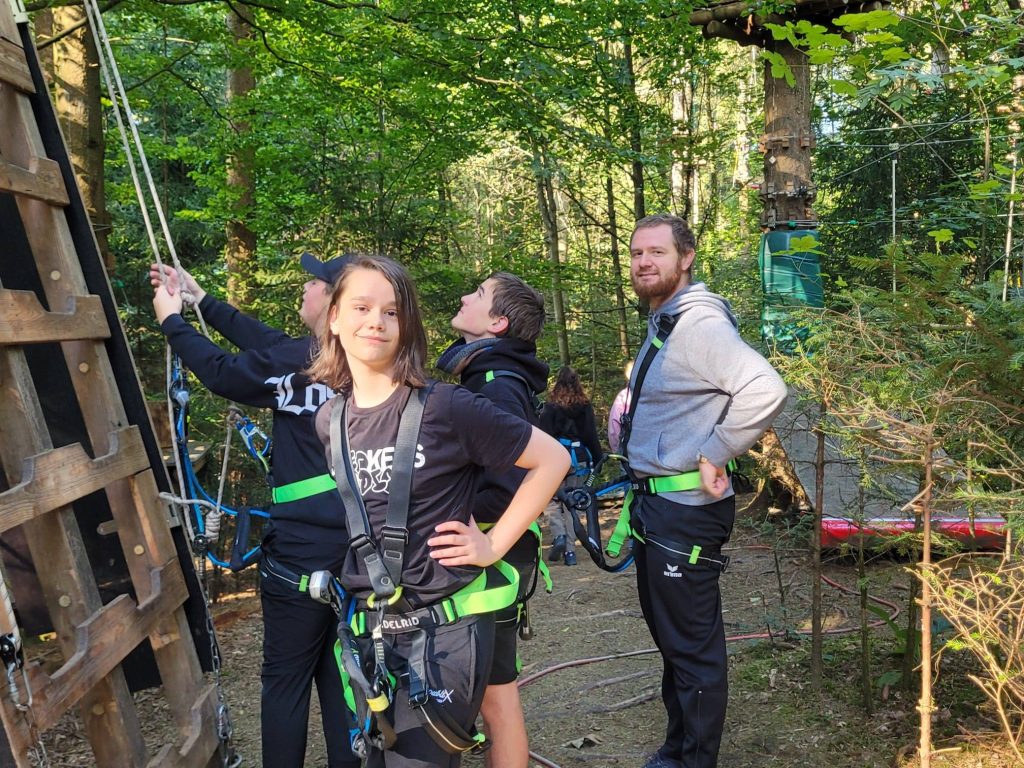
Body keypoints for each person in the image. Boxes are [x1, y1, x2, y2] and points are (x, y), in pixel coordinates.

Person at [306, 255, 569, 768]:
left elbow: (551, 460)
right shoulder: (329, 421)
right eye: (360, 307)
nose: (376, 322)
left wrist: (493, 544)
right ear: (333, 317)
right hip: (373, 630)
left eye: (392, 311)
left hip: (444, 633)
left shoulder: (447, 407)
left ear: (408, 326)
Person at [150, 253, 359, 768]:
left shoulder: (301, 360)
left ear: (332, 303)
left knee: (286, 678)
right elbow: (268, 344)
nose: (305, 289)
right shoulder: (358, 357)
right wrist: (205, 302)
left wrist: (172, 321)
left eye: (314, 283)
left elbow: (224, 372)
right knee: (342, 667)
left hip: (302, 550)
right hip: (357, 545)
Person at [622, 214, 787, 768]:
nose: (644, 262)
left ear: (686, 257)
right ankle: (678, 749)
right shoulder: (666, 322)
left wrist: (716, 450)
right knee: (674, 644)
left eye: (657, 252)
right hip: (658, 505)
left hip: (684, 511)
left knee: (691, 649)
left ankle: (693, 761)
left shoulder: (697, 325)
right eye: (637, 252)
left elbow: (766, 387)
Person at [436, 271, 548, 768]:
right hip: (496, 556)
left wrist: (481, 539)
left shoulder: (496, 385)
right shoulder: (489, 376)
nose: (465, 297)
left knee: (494, 699)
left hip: (489, 561)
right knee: (494, 695)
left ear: (498, 323)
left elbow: (506, 486)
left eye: (478, 295)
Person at [539, 366, 604, 566]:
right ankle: (570, 553)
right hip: (580, 458)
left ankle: (558, 534)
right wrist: (599, 459)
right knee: (571, 505)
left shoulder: (549, 406)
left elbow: (543, 436)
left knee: (549, 499)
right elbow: (591, 435)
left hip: (557, 458)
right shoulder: (584, 406)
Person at [607, 360, 634, 453]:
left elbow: (614, 428)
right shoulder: (656, 395)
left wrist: (617, 449)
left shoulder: (623, 397)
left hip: (629, 450)